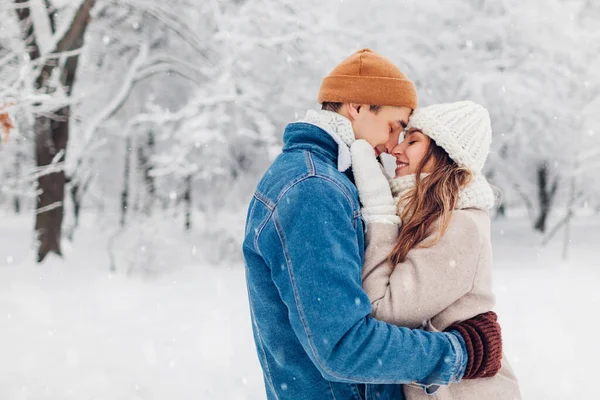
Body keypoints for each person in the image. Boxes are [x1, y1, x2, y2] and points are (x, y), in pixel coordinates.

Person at [242, 49, 503, 400]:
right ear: (358, 107)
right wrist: (460, 353)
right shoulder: (313, 188)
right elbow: (343, 346)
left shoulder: (333, 179)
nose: (393, 144)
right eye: (395, 127)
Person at [351, 100, 522, 399]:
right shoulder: (429, 215)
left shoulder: (458, 224)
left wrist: (380, 212)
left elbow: (382, 310)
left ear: (446, 154)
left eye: (413, 141)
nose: (396, 149)